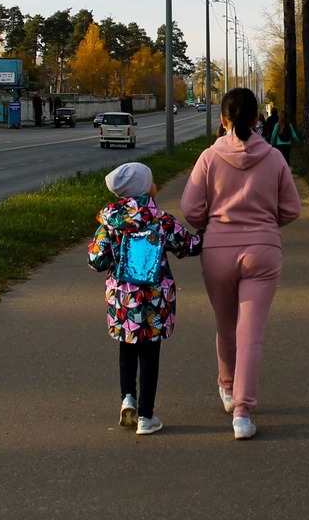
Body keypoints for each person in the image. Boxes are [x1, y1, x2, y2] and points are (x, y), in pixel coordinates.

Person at [181, 88, 301, 440]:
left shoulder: (208, 157)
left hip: (217, 250)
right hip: (263, 251)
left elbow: (190, 209)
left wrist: (211, 224)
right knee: (252, 333)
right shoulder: (275, 159)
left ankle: (227, 387)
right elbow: (291, 210)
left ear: (223, 119)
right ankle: (242, 414)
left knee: (226, 325)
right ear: (255, 120)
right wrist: (265, 224)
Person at [88, 162, 203, 436]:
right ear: (144, 188)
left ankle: (127, 397)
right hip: (154, 300)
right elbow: (189, 246)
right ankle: (146, 416)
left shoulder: (110, 222)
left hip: (122, 299)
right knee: (150, 353)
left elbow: (96, 260)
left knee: (126, 348)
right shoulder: (162, 221)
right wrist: (206, 233)